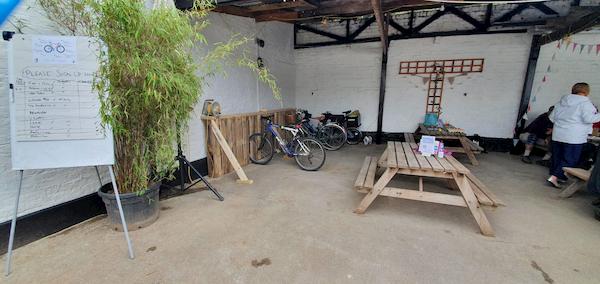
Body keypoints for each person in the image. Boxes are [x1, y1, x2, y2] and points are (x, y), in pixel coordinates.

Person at [547, 83, 600, 188]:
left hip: (558, 134)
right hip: (573, 136)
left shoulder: (561, 102)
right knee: (570, 158)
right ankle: (554, 177)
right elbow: (589, 119)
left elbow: (551, 117)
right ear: (586, 91)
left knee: (557, 156)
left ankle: (558, 176)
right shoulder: (586, 103)